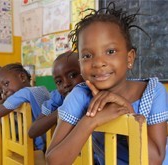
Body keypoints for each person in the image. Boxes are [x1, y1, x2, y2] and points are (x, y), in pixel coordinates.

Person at [45, 2, 168, 165]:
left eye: (110, 52)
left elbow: (155, 160)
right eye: (87, 56)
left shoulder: (153, 92)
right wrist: (91, 120)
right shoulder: (80, 95)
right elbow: (53, 161)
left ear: (129, 58)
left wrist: (126, 114)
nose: (98, 63)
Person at [0, 63, 50, 151]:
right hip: (52, 136)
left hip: (42, 145)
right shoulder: (42, 89)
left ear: (22, 77)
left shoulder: (24, 93)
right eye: (1, 90)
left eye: (6, 84)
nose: (5, 91)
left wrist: (4, 99)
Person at [28, 51, 84, 138]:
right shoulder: (59, 97)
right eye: (59, 81)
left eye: (72, 75)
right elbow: (32, 131)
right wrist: (65, 109)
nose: (65, 84)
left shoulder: (97, 93)